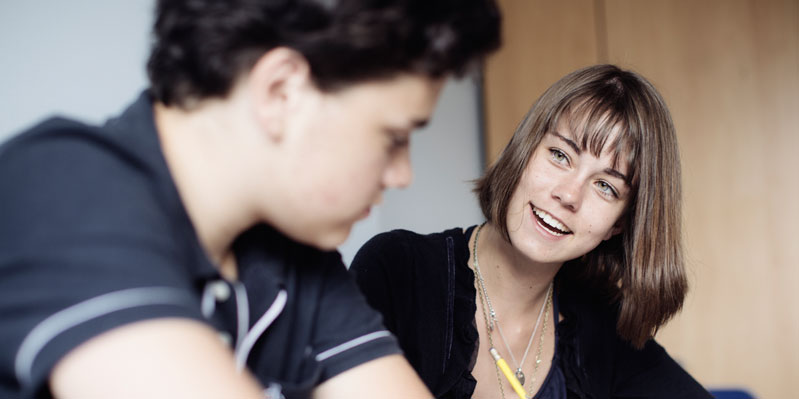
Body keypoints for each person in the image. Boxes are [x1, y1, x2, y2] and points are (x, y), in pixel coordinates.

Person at [0, 0, 501, 398]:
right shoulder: (61, 186)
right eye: (393, 136)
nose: (402, 174)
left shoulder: (293, 256)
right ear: (281, 91)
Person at [350, 64, 713, 398]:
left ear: (618, 224)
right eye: (560, 155)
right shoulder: (396, 270)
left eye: (606, 187)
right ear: (525, 151)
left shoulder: (603, 328)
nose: (569, 195)